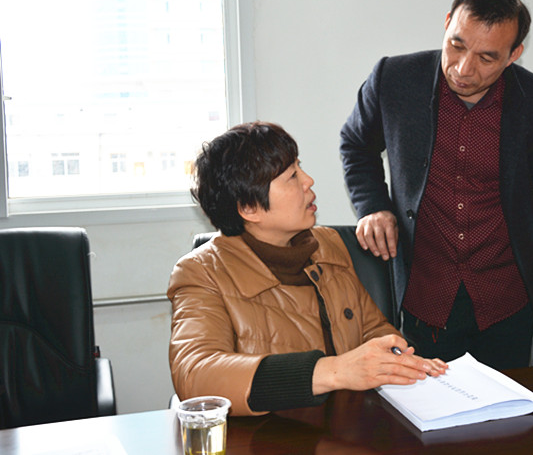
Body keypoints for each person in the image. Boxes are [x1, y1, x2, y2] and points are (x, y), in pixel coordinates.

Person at [340, 0, 533, 370]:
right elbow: (355, 143)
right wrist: (372, 205)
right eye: (457, 45)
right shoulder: (394, 79)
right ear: (448, 22)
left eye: (487, 57)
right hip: (423, 300)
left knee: (508, 409)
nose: (464, 69)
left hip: (507, 306)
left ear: (514, 54)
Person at [168, 122, 446, 417]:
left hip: (348, 425)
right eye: (291, 176)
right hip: (270, 434)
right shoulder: (200, 273)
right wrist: (334, 371)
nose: (308, 181)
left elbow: (372, 330)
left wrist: (399, 359)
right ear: (249, 208)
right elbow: (195, 374)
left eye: (299, 167)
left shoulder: (328, 244)